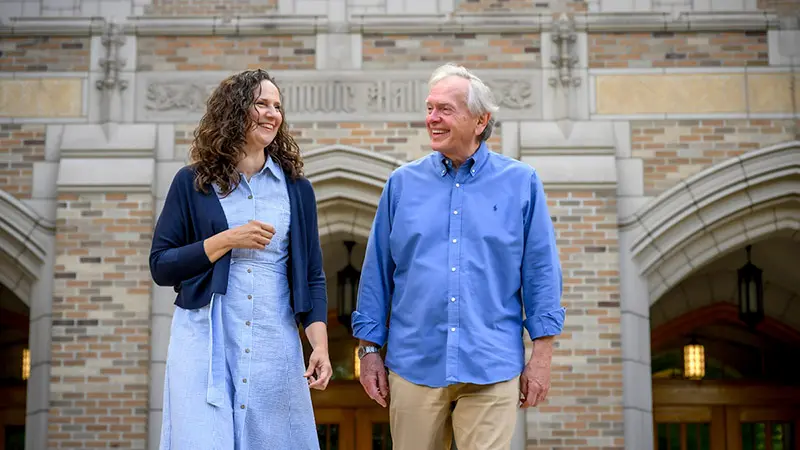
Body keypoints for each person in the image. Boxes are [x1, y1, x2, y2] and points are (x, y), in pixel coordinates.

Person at [351, 63, 566, 450]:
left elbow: (541, 272)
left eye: (445, 110)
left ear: (481, 120)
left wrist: (542, 355)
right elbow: (376, 273)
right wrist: (368, 351)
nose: (432, 118)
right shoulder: (402, 184)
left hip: (492, 362)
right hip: (413, 363)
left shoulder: (521, 183)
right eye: (430, 108)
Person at [150, 69, 331, 450]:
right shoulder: (192, 182)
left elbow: (312, 275)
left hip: (274, 337)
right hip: (207, 336)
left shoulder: (297, 190)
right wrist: (226, 240)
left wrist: (319, 346)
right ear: (234, 112)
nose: (272, 114)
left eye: (277, 106)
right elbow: (162, 265)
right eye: (261, 104)